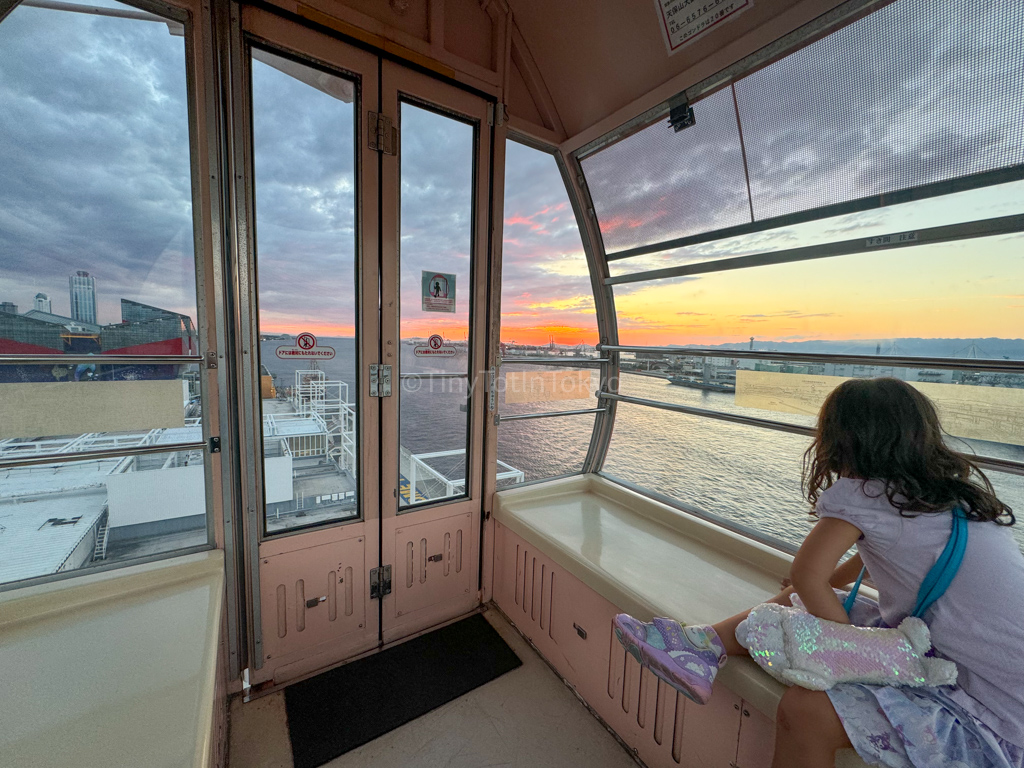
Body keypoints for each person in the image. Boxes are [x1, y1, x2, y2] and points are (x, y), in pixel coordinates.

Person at [614, 378, 1024, 768]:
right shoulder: (945, 496)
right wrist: (826, 586)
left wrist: (839, 645)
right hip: (994, 673)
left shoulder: (864, 495)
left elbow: (806, 573)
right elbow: (869, 558)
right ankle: (704, 646)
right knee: (803, 597)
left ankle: (700, 648)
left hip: (990, 708)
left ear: (840, 441)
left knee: (804, 710)